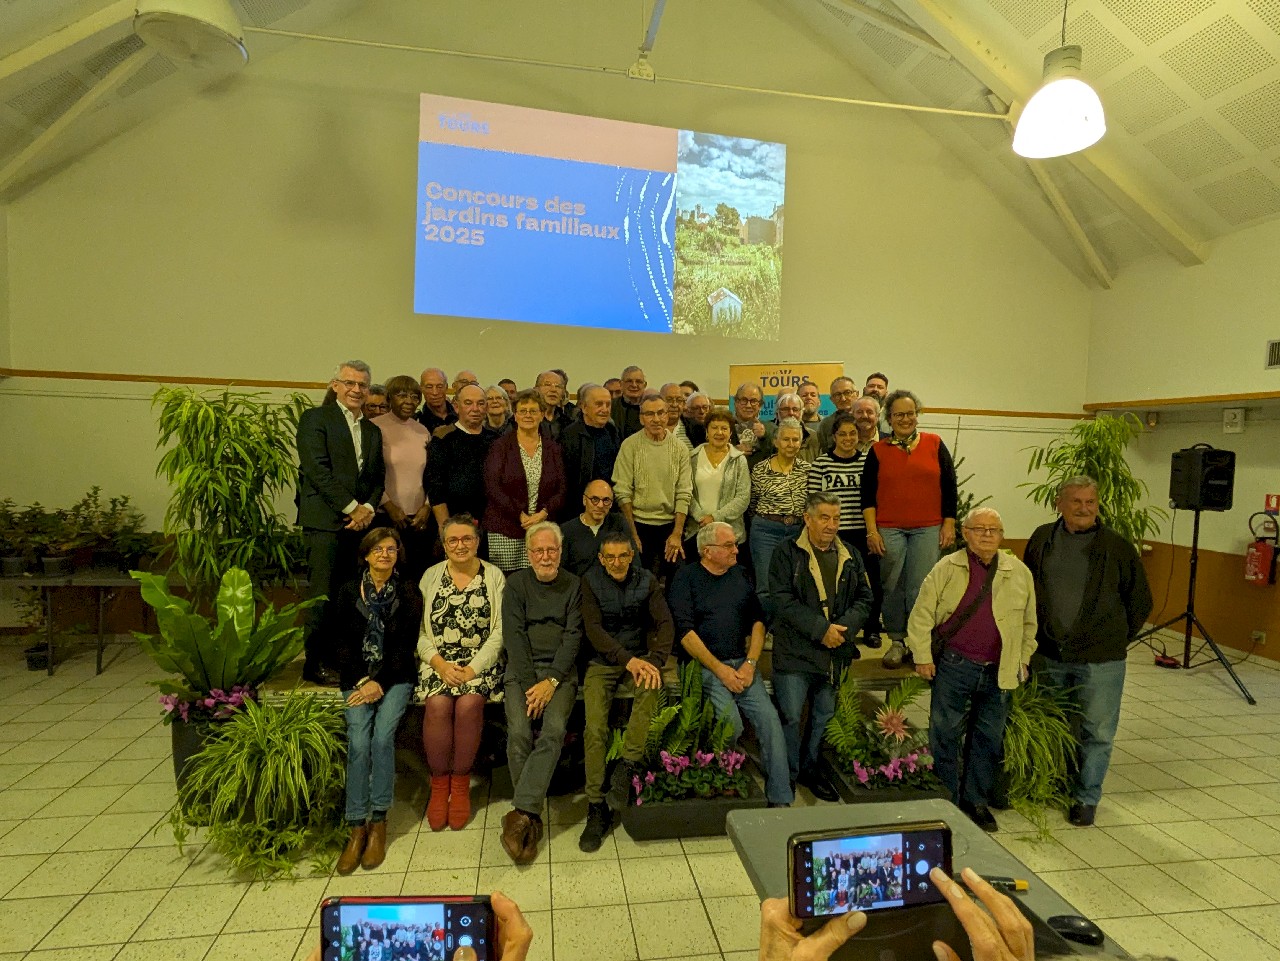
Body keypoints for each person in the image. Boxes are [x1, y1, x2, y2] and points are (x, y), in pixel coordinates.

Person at [1023, 475, 1152, 827]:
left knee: (1097, 731)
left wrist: (1112, 637)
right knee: (1054, 724)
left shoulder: (1117, 547)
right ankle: (1055, 783)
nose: (1084, 508)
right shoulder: (1040, 539)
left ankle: (1086, 797)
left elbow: (1140, 601)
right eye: (1076, 501)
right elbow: (1028, 591)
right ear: (1059, 504)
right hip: (1049, 654)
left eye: (1090, 502)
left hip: (1101, 660)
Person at [906, 508, 1037, 832]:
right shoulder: (946, 568)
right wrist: (923, 656)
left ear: (1002, 535)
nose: (987, 535)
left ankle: (976, 801)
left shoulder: (1019, 572)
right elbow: (921, 615)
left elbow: (1029, 624)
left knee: (988, 738)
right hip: (955, 665)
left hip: (1000, 670)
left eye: (994, 529)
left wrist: (1023, 660)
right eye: (980, 529)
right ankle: (946, 800)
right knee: (945, 734)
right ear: (966, 533)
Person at [668, 522, 793, 807]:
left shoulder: (740, 574)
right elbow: (686, 635)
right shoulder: (685, 578)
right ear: (707, 551)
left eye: (735, 544)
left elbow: (758, 622)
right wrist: (720, 670)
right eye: (729, 546)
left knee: (770, 722)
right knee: (731, 723)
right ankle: (726, 780)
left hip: (741, 664)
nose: (737, 550)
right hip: (706, 666)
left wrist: (750, 663)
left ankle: (781, 796)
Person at [769, 492, 872, 802]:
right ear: (808, 518)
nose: (831, 524)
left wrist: (842, 630)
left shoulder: (850, 554)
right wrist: (820, 629)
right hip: (794, 653)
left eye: (836, 518)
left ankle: (811, 771)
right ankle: (785, 777)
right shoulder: (786, 553)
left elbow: (865, 599)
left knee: (823, 716)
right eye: (825, 517)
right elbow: (781, 600)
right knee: (789, 717)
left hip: (833, 654)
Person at [331, 527, 421, 873]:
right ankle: (356, 826)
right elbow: (339, 644)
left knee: (382, 737)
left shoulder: (408, 593)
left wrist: (379, 682)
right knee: (358, 740)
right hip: (356, 678)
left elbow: (404, 647)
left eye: (391, 549)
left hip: (395, 678)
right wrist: (363, 680)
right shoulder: (346, 592)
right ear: (366, 555)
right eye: (378, 549)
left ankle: (379, 822)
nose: (385, 554)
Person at [578, 531, 674, 851]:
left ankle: (626, 766)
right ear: (602, 559)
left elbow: (665, 624)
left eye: (623, 556)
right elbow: (593, 630)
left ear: (631, 555)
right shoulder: (590, 582)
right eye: (610, 558)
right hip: (602, 661)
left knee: (650, 685)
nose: (617, 562)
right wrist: (627, 660)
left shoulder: (646, 581)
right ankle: (596, 806)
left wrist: (655, 661)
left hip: (640, 658)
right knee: (594, 728)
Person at [297, 360, 385, 686]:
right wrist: (352, 508)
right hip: (325, 523)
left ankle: (341, 660)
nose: (356, 390)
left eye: (362, 384)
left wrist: (368, 509)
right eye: (350, 383)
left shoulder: (372, 430)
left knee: (350, 598)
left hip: (358, 527)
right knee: (323, 596)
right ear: (335, 385)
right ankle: (314, 663)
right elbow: (317, 471)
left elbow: (377, 478)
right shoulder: (316, 419)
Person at [417, 514, 506, 832]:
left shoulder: (494, 576)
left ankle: (460, 785)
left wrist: (472, 669)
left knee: (469, 705)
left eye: (467, 538)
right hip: (437, 662)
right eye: (453, 540)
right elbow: (420, 633)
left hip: (480, 663)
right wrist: (439, 663)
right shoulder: (430, 576)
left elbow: (499, 632)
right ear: (443, 546)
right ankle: (439, 787)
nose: (460, 545)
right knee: (438, 705)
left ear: (477, 541)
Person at [500, 523, 581, 863]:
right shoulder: (516, 584)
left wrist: (550, 682)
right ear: (529, 554)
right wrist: (534, 682)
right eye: (539, 551)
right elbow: (514, 636)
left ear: (560, 552)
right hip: (522, 671)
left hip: (560, 674)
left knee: (553, 731)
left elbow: (573, 636)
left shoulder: (574, 585)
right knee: (519, 731)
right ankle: (531, 815)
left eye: (552, 550)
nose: (546, 556)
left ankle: (520, 815)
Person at [863, 389, 957, 670]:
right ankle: (896, 640)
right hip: (889, 528)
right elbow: (867, 495)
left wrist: (949, 522)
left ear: (917, 415)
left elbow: (949, 486)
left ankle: (919, 642)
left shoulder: (934, 443)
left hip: (928, 528)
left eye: (910, 413)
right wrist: (872, 531)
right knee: (892, 585)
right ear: (889, 419)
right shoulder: (878, 450)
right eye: (898, 415)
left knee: (920, 588)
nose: (905, 419)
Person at [807, 399, 883, 645]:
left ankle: (871, 628)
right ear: (834, 436)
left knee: (868, 583)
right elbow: (814, 502)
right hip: (834, 535)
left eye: (853, 434)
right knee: (839, 588)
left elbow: (875, 498)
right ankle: (843, 635)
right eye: (843, 434)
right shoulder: (821, 464)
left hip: (863, 532)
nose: (848, 438)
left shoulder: (868, 462)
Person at [482, 390, 565, 573]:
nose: (528, 415)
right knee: (506, 584)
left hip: (541, 527)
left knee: (537, 579)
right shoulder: (500, 446)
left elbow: (562, 488)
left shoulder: (553, 448)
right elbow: (492, 487)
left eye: (533, 411)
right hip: (506, 529)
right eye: (523, 411)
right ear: (515, 415)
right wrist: (520, 515)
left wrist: (543, 513)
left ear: (542, 415)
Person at [612, 393, 692, 577]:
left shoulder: (680, 448)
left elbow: (684, 492)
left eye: (660, 413)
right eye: (650, 414)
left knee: (677, 576)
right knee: (639, 579)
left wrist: (677, 534)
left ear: (667, 415)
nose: (656, 419)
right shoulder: (629, 446)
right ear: (641, 418)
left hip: (670, 525)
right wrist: (632, 534)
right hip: (638, 524)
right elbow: (622, 491)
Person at [372, 374, 433, 583]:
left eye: (415, 397)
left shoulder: (422, 431)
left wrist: (427, 506)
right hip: (384, 515)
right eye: (401, 395)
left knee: (415, 577)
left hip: (418, 520)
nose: (409, 401)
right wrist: (388, 506)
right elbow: (370, 475)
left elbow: (431, 474)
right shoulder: (374, 428)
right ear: (389, 398)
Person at [749, 418, 810, 620]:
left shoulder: (807, 470)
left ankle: (790, 629)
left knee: (795, 584)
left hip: (797, 531)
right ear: (775, 441)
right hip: (766, 530)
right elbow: (752, 502)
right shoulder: (760, 469)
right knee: (766, 585)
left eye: (795, 440)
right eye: (786, 439)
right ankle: (770, 627)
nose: (791, 444)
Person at [426, 384, 496, 546]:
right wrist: (445, 527)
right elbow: (435, 487)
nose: (475, 408)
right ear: (456, 407)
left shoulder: (494, 440)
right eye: (468, 403)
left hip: (489, 524)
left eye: (480, 403)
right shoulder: (443, 439)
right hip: (454, 522)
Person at [685, 407, 751, 552]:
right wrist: (701, 518)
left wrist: (715, 517)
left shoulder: (739, 460)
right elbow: (686, 493)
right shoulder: (692, 458)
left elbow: (743, 497)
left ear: (730, 433)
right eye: (714, 427)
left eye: (724, 428)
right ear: (707, 432)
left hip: (730, 535)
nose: (719, 432)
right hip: (697, 531)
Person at [558, 383, 622, 512]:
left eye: (608, 404)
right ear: (584, 407)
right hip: (578, 507)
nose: (605, 409)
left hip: (608, 506)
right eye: (599, 404)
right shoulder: (569, 435)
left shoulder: (613, 432)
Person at [560, 479, 630, 576]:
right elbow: (562, 572)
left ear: (611, 504)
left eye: (606, 500)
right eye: (595, 499)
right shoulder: (566, 530)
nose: (600, 505)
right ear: (584, 500)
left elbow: (634, 563)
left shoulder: (619, 523)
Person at [812, 376, 859, 455]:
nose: (843, 398)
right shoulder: (826, 424)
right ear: (831, 399)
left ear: (857, 394)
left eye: (847, 392)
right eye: (837, 395)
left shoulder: (864, 419)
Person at [732, 382, 775, 466]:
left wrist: (764, 436)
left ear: (760, 405)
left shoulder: (771, 428)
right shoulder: (724, 427)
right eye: (744, 400)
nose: (748, 405)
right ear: (736, 403)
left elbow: (779, 456)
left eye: (753, 401)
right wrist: (732, 452)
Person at [534, 370, 573, 438]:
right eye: (547, 385)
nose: (553, 390)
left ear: (563, 393)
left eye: (558, 386)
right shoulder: (527, 418)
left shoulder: (568, 422)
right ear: (536, 390)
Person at [610, 365, 647, 437]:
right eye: (629, 381)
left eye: (638, 381)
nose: (634, 385)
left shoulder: (651, 407)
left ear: (644, 385)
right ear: (621, 384)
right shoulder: (610, 407)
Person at [417, 368, 456, 433]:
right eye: (429, 387)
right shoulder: (418, 422)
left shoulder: (460, 416)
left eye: (439, 386)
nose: (435, 392)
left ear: (446, 387)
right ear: (421, 389)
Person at [660, 382, 693, 451]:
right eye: (669, 400)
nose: (674, 405)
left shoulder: (696, 428)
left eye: (679, 400)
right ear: (660, 401)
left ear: (683, 404)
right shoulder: (650, 428)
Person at [864, 371, 891, 436]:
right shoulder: (856, 413)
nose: (875, 389)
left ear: (886, 393)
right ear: (864, 390)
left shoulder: (892, 416)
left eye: (880, 387)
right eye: (871, 386)